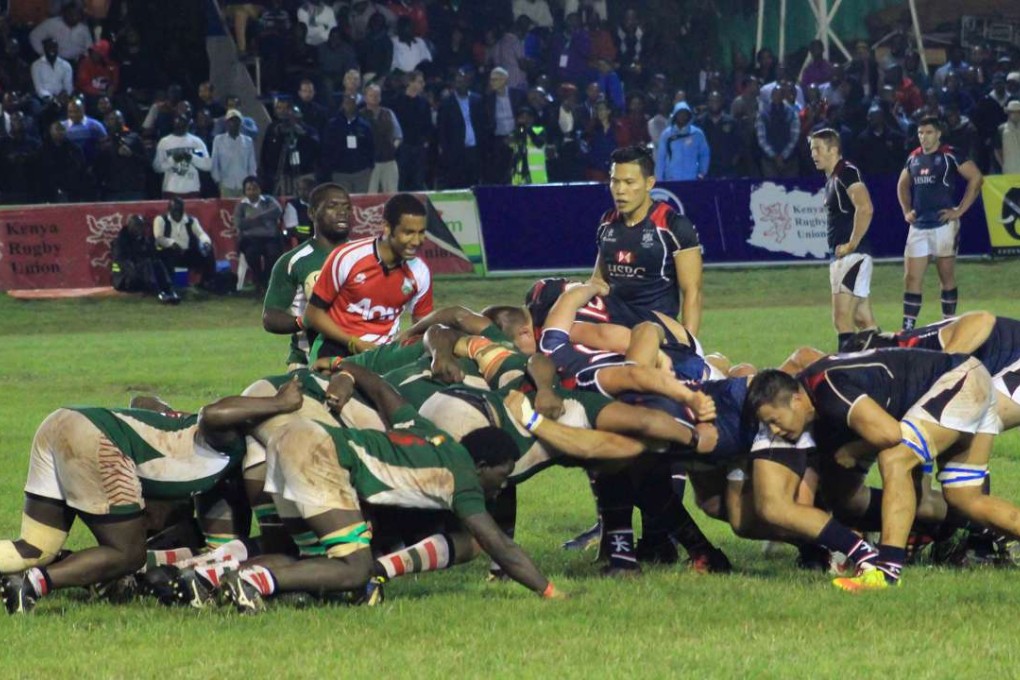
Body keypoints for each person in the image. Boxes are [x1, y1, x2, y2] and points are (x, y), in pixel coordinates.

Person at [217, 362, 563, 612]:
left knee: (311, 558)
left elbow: (383, 391)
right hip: (320, 454)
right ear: (482, 466)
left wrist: (343, 367)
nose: (501, 488)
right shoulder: (465, 481)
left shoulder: (429, 432)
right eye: (501, 477)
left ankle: (216, 578)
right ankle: (253, 582)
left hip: (290, 438)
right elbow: (500, 545)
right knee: (355, 570)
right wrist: (548, 590)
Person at [0, 380, 304, 614]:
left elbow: (142, 400)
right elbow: (213, 413)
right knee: (126, 553)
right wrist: (279, 402)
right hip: (98, 437)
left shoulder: (192, 435)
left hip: (62, 421)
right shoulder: (229, 441)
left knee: (35, 548)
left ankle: (51, 570)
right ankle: (32, 584)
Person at [748, 348, 1015, 592]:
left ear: (796, 400)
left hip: (960, 381)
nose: (774, 430)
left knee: (895, 460)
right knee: (965, 499)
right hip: (970, 379)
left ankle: (886, 570)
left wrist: (854, 450)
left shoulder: (827, 387)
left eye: (773, 420)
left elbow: (889, 434)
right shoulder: (819, 391)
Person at [305, 193, 433, 360]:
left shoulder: (420, 272)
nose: (416, 241)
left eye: (421, 232)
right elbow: (313, 315)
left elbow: (421, 325)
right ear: (387, 227)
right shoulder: (347, 257)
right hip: (336, 348)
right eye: (408, 233)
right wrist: (354, 342)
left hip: (383, 355)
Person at [590, 145, 702, 333]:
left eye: (629, 182)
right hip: (614, 330)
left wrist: (688, 345)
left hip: (657, 332)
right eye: (614, 181)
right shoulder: (606, 223)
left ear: (649, 183)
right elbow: (598, 281)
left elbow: (693, 291)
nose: (620, 190)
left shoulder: (673, 225)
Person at [897, 116, 984, 330]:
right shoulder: (913, 158)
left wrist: (959, 210)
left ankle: (948, 323)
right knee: (911, 278)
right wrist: (906, 210)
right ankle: (908, 328)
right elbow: (902, 185)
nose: (923, 137)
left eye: (928, 132)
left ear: (938, 134)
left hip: (944, 225)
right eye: (920, 133)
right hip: (918, 226)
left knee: (946, 276)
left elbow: (976, 177)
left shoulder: (949, 155)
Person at [263, 183, 353, 368]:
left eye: (346, 207)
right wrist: (304, 321)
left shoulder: (364, 256)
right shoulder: (294, 261)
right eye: (332, 206)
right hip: (307, 363)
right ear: (312, 213)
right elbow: (270, 317)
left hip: (359, 361)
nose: (342, 212)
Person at [808, 128, 877, 351]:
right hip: (844, 258)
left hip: (852, 256)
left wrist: (852, 244)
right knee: (863, 320)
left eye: (818, 149)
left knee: (841, 319)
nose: (813, 154)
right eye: (812, 149)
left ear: (833, 149)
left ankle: (846, 374)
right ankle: (888, 364)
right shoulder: (831, 179)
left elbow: (865, 208)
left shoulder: (846, 172)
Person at [110, 214, 179, 304]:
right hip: (124, 279)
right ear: (130, 226)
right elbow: (123, 262)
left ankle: (170, 291)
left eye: (141, 226)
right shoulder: (120, 242)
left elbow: (152, 255)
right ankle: (159, 294)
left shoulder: (144, 240)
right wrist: (137, 271)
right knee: (146, 264)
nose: (140, 229)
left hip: (142, 275)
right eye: (137, 226)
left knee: (157, 263)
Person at [234, 176, 285, 296]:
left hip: (270, 237)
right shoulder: (241, 205)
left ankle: (264, 281)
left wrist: (255, 217)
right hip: (250, 238)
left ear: (260, 189)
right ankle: (260, 281)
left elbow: (277, 211)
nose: (252, 192)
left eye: (255, 188)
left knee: (273, 254)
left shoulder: (269, 200)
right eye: (249, 189)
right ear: (245, 191)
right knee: (251, 254)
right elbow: (240, 224)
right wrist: (265, 219)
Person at [153, 197, 217, 291]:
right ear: (169, 210)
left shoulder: (191, 221)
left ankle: (206, 282)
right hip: (170, 252)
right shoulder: (161, 220)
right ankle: (167, 286)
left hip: (188, 253)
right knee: (161, 253)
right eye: (175, 210)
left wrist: (206, 242)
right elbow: (158, 238)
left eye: (180, 210)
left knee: (209, 251)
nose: (177, 213)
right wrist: (172, 243)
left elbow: (201, 233)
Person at [437, 68, 485, 189]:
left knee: (474, 184)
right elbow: (442, 129)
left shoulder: (477, 100)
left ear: (468, 82)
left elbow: (483, 124)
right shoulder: (446, 103)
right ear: (453, 84)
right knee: (457, 184)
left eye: (464, 81)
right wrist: (446, 150)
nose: (461, 84)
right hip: (456, 151)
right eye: (458, 81)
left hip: (474, 149)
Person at [320, 94, 374, 194]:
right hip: (340, 172)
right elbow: (327, 148)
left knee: (361, 200)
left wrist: (368, 166)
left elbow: (370, 147)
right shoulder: (333, 125)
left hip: (361, 172)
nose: (349, 105)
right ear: (342, 104)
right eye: (347, 102)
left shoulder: (364, 125)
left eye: (352, 103)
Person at [153, 113, 213, 199]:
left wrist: (191, 157)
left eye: (182, 122)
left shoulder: (195, 142)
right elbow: (157, 167)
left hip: (192, 189)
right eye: (177, 121)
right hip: (171, 189)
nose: (179, 124)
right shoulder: (164, 142)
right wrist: (173, 160)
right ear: (173, 123)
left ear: (188, 123)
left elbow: (207, 165)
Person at [95, 110, 149, 201]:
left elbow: (146, 162)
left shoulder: (134, 138)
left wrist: (131, 154)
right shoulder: (103, 143)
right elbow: (99, 168)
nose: (116, 121)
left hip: (133, 189)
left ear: (123, 121)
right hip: (112, 191)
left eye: (118, 118)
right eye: (112, 119)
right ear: (107, 122)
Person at [391, 70, 431, 191]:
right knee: (401, 180)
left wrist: (426, 141)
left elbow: (427, 124)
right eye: (420, 82)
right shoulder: (397, 101)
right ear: (410, 82)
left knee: (418, 181)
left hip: (419, 147)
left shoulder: (424, 102)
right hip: (403, 147)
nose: (423, 84)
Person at [362, 83, 402, 194]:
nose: (374, 98)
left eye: (377, 95)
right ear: (365, 97)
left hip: (389, 160)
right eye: (371, 95)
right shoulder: (360, 115)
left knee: (392, 193)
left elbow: (398, 135)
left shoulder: (388, 113)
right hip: (369, 164)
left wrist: (392, 147)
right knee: (371, 194)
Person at [211, 109, 257, 198]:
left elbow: (251, 164)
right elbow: (215, 163)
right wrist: (218, 181)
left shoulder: (248, 141)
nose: (234, 123)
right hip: (226, 185)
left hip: (244, 185)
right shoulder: (218, 140)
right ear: (227, 123)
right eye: (231, 121)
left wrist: (252, 181)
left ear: (241, 123)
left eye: (237, 120)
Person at [756, 85, 800, 178]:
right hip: (769, 161)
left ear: (783, 96)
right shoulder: (763, 114)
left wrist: (783, 155)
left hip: (790, 160)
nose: (777, 96)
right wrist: (774, 156)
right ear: (771, 96)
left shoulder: (792, 113)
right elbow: (761, 139)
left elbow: (794, 137)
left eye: (780, 94)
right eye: (775, 94)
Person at [697, 91, 741, 178]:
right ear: (707, 103)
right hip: (706, 168)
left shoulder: (731, 122)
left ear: (721, 102)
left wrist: (734, 160)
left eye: (717, 100)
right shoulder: (700, 122)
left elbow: (739, 144)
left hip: (727, 168)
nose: (714, 103)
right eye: (712, 101)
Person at [61, 96, 106, 164]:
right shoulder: (61, 127)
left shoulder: (96, 126)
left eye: (77, 111)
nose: (74, 114)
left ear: (83, 110)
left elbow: (106, 144)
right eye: (70, 112)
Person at [281, 176, 315, 244]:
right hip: (302, 240)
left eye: (306, 189)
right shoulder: (293, 205)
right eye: (300, 189)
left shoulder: (319, 204)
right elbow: (292, 229)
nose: (302, 192)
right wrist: (311, 230)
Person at [994, 100, 1020, 175]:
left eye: (1017, 112)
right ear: (1008, 113)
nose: (1015, 114)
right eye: (1012, 112)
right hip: (1009, 170)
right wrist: (1004, 165)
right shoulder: (1001, 129)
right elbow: (997, 150)